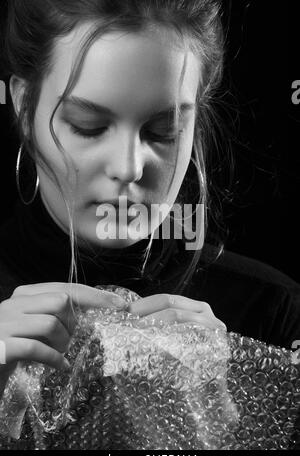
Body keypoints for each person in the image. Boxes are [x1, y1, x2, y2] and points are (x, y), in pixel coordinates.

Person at [0, 0, 299, 400]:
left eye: (164, 131)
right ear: (24, 108)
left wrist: (228, 423)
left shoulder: (273, 318)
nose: (128, 168)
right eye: (89, 127)